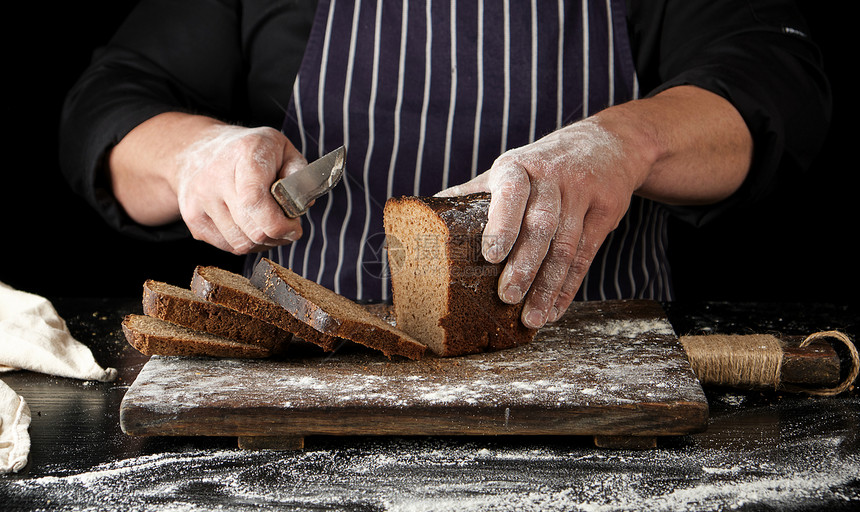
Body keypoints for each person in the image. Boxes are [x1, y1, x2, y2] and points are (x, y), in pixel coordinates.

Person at [60, 0, 830, 329]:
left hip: (590, 364)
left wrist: (626, 143)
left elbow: (775, 82)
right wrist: (194, 155)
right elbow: (113, 103)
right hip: (310, 375)